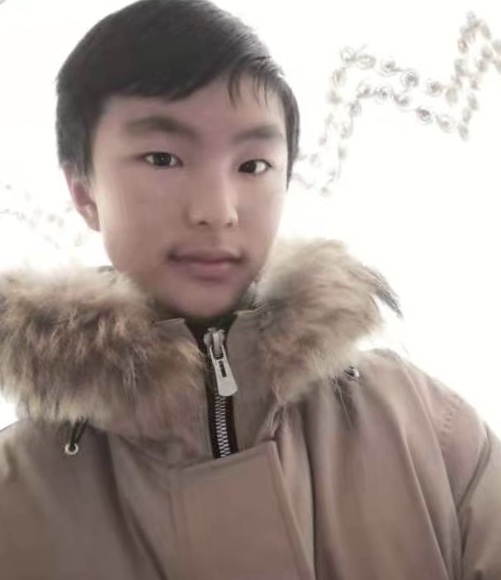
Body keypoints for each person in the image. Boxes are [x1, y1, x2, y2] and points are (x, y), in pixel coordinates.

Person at [0, 0, 500, 578]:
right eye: (163, 158)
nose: (218, 211)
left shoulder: (425, 427)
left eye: (253, 165)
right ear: (84, 190)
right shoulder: (16, 502)